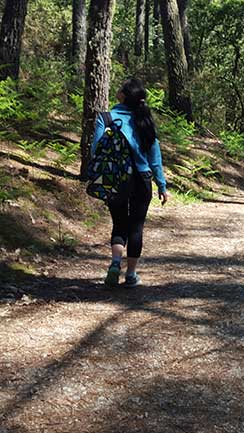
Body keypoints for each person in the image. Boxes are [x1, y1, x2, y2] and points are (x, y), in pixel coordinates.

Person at [90, 78, 169, 288]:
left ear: (123, 95)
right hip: (142, 180)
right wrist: (162, 186)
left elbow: (95, 150)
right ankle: (131, 274)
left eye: (120, 88)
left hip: (115, 179)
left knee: (119, 223)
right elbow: (155, 159)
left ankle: (115, 264)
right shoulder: (145, 121)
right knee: (136, 227)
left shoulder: (106, 118)